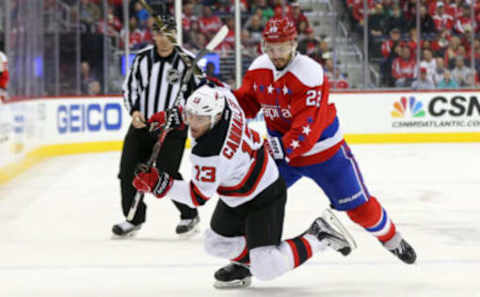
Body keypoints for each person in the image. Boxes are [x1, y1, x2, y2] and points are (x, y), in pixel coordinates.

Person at [132, 83, 356, 288]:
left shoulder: (211, 153)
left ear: (216, 116)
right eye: (191, 116)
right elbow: (210, 95)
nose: (193, 124)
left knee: (266, 267)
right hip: (239, 191)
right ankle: (245, 266)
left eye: (200, 119)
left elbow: (196, 196)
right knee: (214, 243)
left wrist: (157, 184)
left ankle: (318, 236)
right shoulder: (226, 101)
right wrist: (177, 115)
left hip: (264, 195)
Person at [233, 16, 417, 265]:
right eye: (271, 48)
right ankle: (247, 262)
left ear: (294, 43)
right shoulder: (258, 69)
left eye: (282, 47)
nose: (276, 54)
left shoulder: (309, 73)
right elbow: (244, 104)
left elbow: (305, 131)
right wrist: (218, 99)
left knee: (360, 210)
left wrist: (274, 147)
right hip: (282, 157)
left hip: (325, 155)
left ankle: (392, 239)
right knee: (253, 202)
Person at [112, 14, 200, 238]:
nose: (162, 38)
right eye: (158, 33)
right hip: (143, 125)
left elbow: (200, 97)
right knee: (127, 171)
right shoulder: (142, 59)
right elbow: (129, 88)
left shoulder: (187, 62)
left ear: (175, 34)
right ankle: (133, 218)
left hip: (173, 130)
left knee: (165, 173)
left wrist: (184, 117)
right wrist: (134, 111)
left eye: (167, 33)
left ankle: (189, 214)